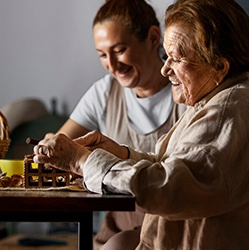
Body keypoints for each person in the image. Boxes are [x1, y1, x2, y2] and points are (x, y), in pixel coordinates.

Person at [34, 0, 249, 249]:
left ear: (220, 66)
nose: (165, 70)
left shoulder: (226, 111)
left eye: (176, 59)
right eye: (166, 57)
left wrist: (81, 161)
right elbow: (178, 168)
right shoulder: (213, 99)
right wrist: (122, 154)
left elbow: (171, 189)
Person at [41, 0, 185, 248]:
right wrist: (50, 147)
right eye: (102, 55)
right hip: (116, 230)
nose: (112, 65)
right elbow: (62, 145)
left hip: (174, 233)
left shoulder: (187, 91)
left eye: (119, 50)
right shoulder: (104, 92)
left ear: (152, 38)